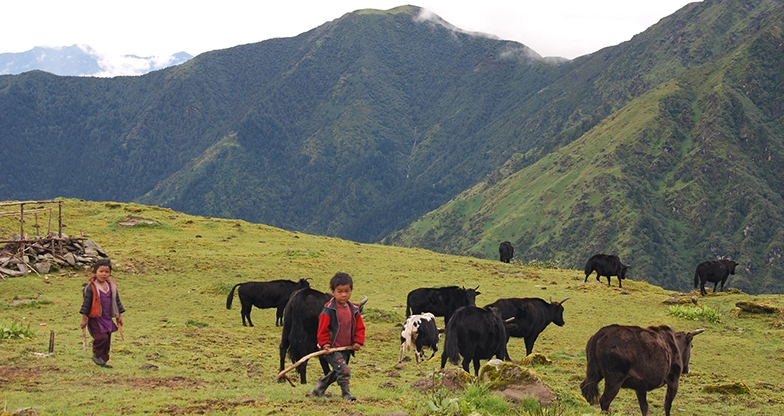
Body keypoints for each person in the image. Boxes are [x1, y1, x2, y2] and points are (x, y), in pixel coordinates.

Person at [308, 272, 366, 400]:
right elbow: (322, 330)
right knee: (344, 370)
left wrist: (357, 341)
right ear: (333, 292)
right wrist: (325, 344)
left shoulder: (353, 310)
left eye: (347, 291)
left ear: (351, 291)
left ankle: (320, 388)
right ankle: (346, 394)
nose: (344, 295)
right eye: (340, 291)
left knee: (337, 371)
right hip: (331, 348)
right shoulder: (328, 310)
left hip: (346, 348)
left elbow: (359, 327)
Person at [79, 259, 124, 368]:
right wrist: (84, 319)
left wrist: (119, 317)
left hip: (107, 318)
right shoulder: (91, 288)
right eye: (101, 271)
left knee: (107, 339)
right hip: (95, 318)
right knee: (101, 338)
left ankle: (103, 361)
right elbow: (86, 304)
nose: (104, 274)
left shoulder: (112, 286)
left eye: (106, 272)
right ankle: (96, 354)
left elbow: (117, 302)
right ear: (95, 272)